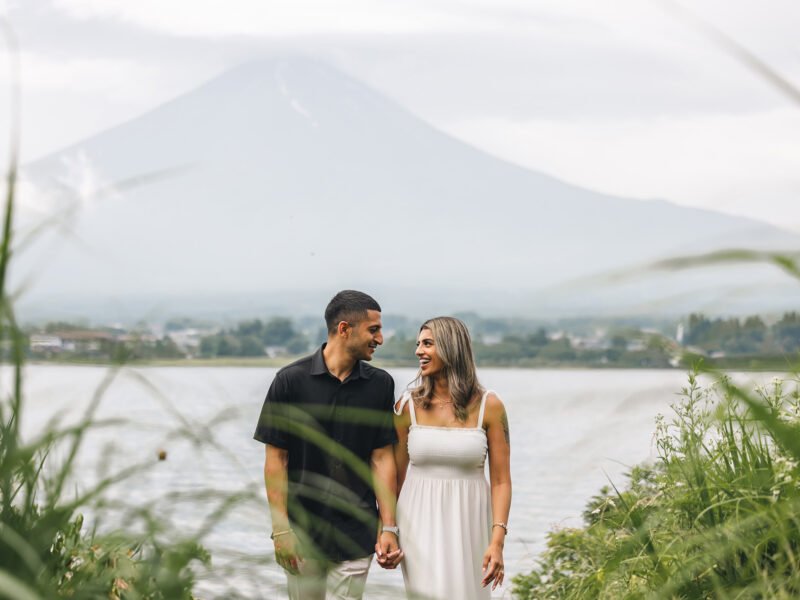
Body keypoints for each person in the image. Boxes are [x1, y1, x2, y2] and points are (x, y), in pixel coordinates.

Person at [253, 290, 403, 600]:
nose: (380, 339)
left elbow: (382, 458)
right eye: (373, 330)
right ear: (345, 329)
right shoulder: (289, 381)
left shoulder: (380, 385)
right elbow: (276, 461)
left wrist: (389, 527)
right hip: (301, 534)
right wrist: (281, 530)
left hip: (356, 533)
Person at [393, 316, 512, 599]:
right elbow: (394, 477)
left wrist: (497, 541)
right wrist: (386, 529)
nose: (418, 351)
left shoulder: (490, 405)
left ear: (451, 347)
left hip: (471, 522)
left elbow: (501, 481)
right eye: (418, 344)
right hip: (416, 521)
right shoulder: (407, 406)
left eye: (427, 344)